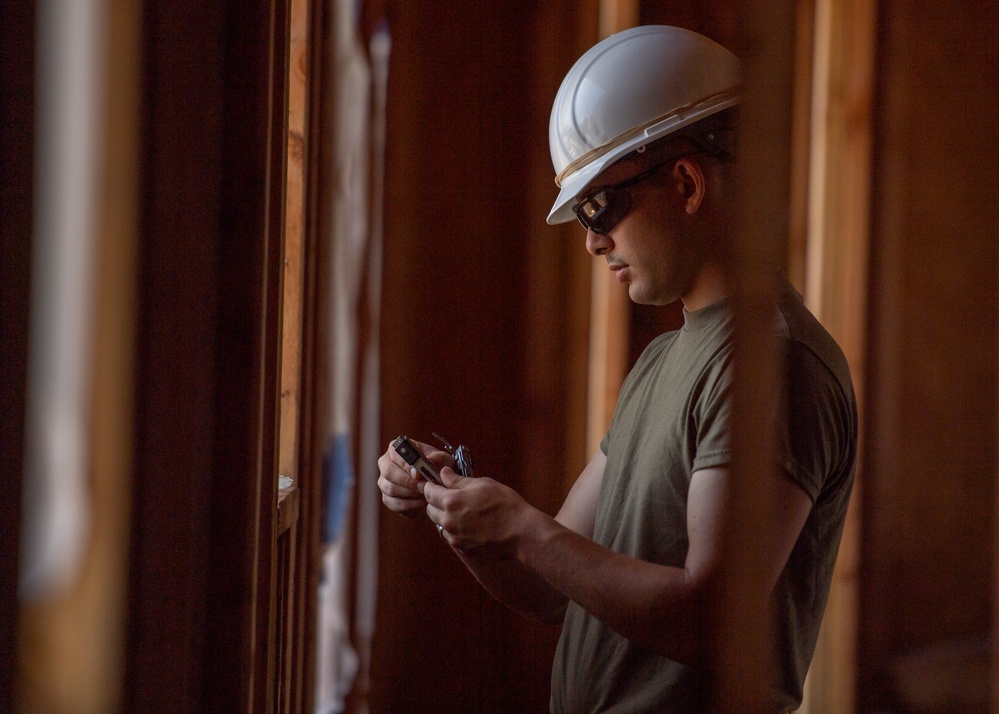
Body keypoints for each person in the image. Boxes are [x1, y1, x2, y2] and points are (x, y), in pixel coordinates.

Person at [377, 25, 856, 713]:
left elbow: (714, 622)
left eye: (599, 206)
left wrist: (519, 527)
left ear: (686, 182)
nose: (594, 241)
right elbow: (550, 583)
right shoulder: (664, 361)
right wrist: (455, 507)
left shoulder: (773, 367)